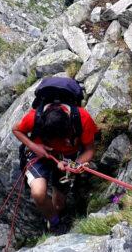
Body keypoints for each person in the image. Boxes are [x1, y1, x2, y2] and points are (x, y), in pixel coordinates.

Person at [11, 76, 97, 231]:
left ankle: (56, 214)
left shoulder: (82, 119)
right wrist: (34, 146)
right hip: (39, 154)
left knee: (59, 204)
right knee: (38, 193)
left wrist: (76, 165)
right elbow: (16, 129)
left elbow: (89, 149)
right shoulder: (35, 117)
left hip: (68, 158)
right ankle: (55, 223)